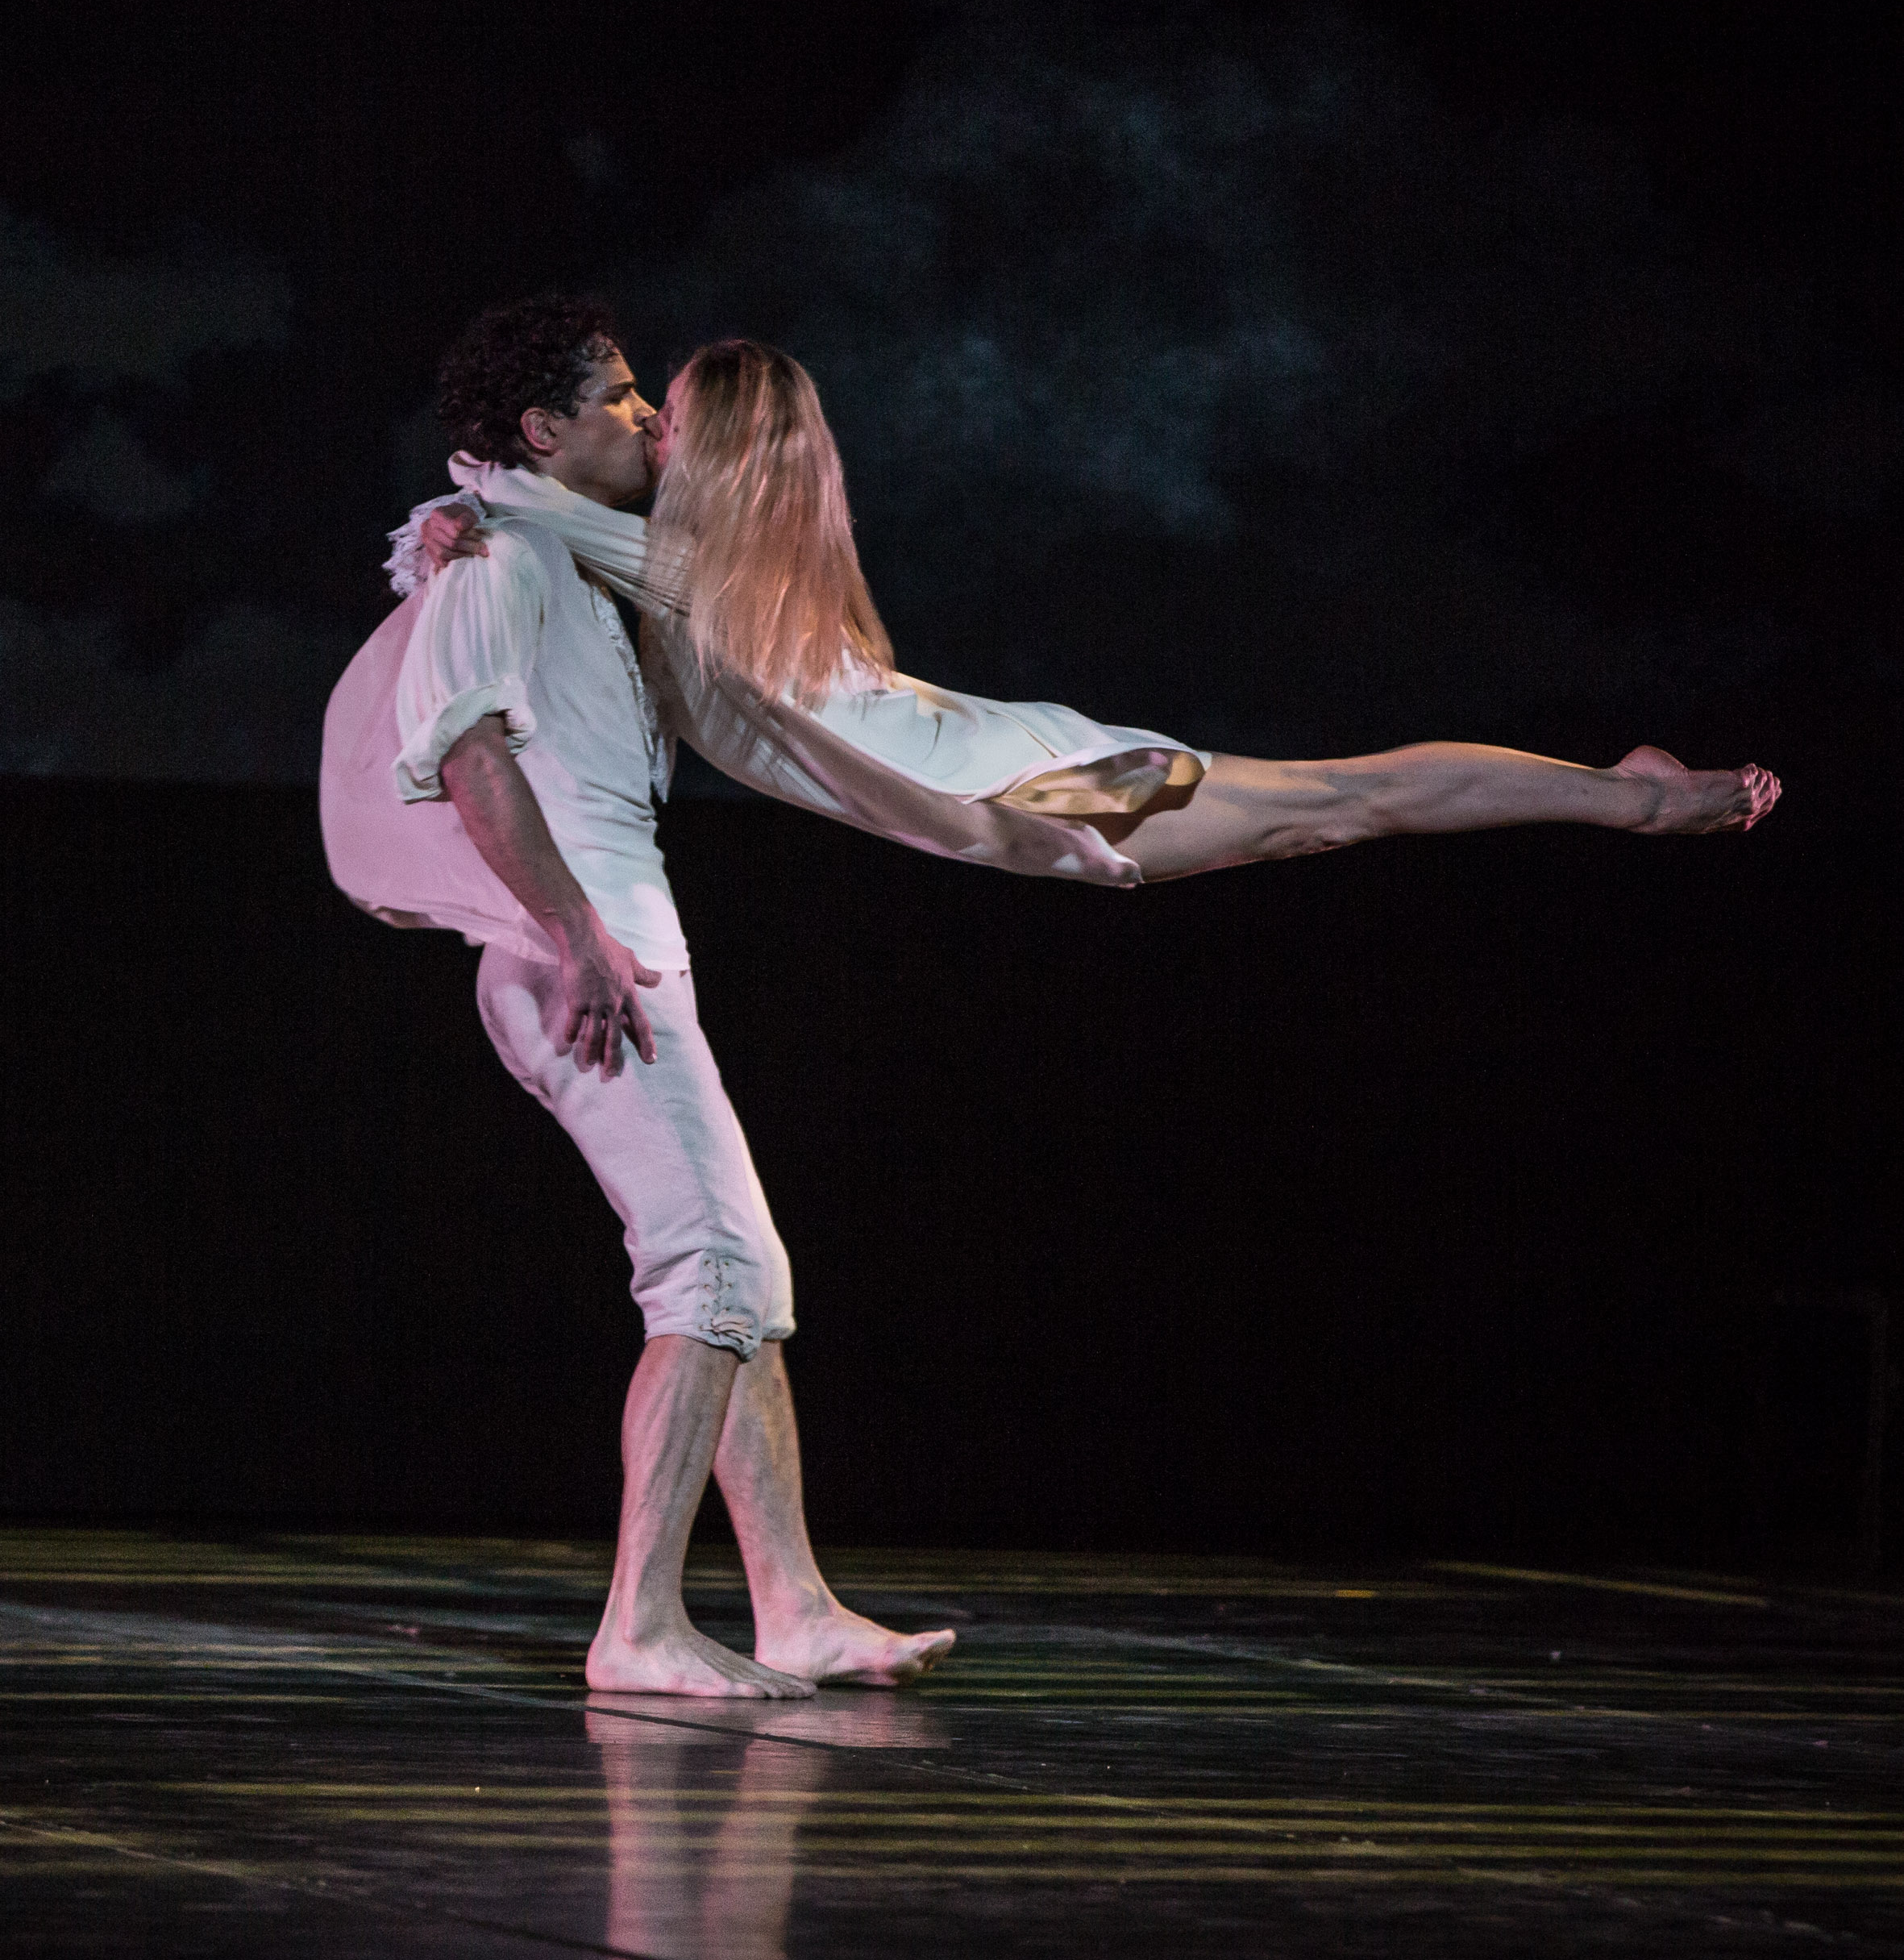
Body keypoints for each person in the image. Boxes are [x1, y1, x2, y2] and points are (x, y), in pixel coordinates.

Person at [321, 296, 956, 1699]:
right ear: (541, 431)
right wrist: (576, 934)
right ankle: (640, 1626)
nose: (647, 416)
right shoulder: (503, 555)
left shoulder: (553, 550)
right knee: (711, 1270)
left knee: (744, 1281)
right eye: (614, 396)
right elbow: (466, 753)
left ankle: (794, 1606)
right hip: (584, 962)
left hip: (615, 949)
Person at [406, 335, 1781, 883]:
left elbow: (518, 498)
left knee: (1342, 802)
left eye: (661, 412)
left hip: (1039, 784)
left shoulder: (691, 574)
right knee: (1341, 801)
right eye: (635, 407)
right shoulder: (711, 580)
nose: (644, 427)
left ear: (715, 453)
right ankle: (1626, 795)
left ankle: (1632, 800)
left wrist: (459, 507)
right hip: (1024, 763)